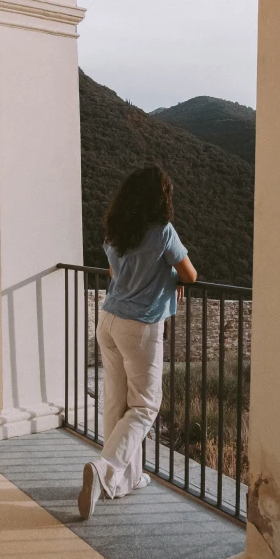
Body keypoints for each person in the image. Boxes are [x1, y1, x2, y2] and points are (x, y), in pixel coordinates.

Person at [78, 166, 197, 519]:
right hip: (139, 326)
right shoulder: (163, 232)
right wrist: (170, 275)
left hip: (108, 320)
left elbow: (117, 276)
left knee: (116, 402)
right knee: (145, 407)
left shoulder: (116, 231)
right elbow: (190, 274)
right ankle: (104, 469)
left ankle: (122, 480)